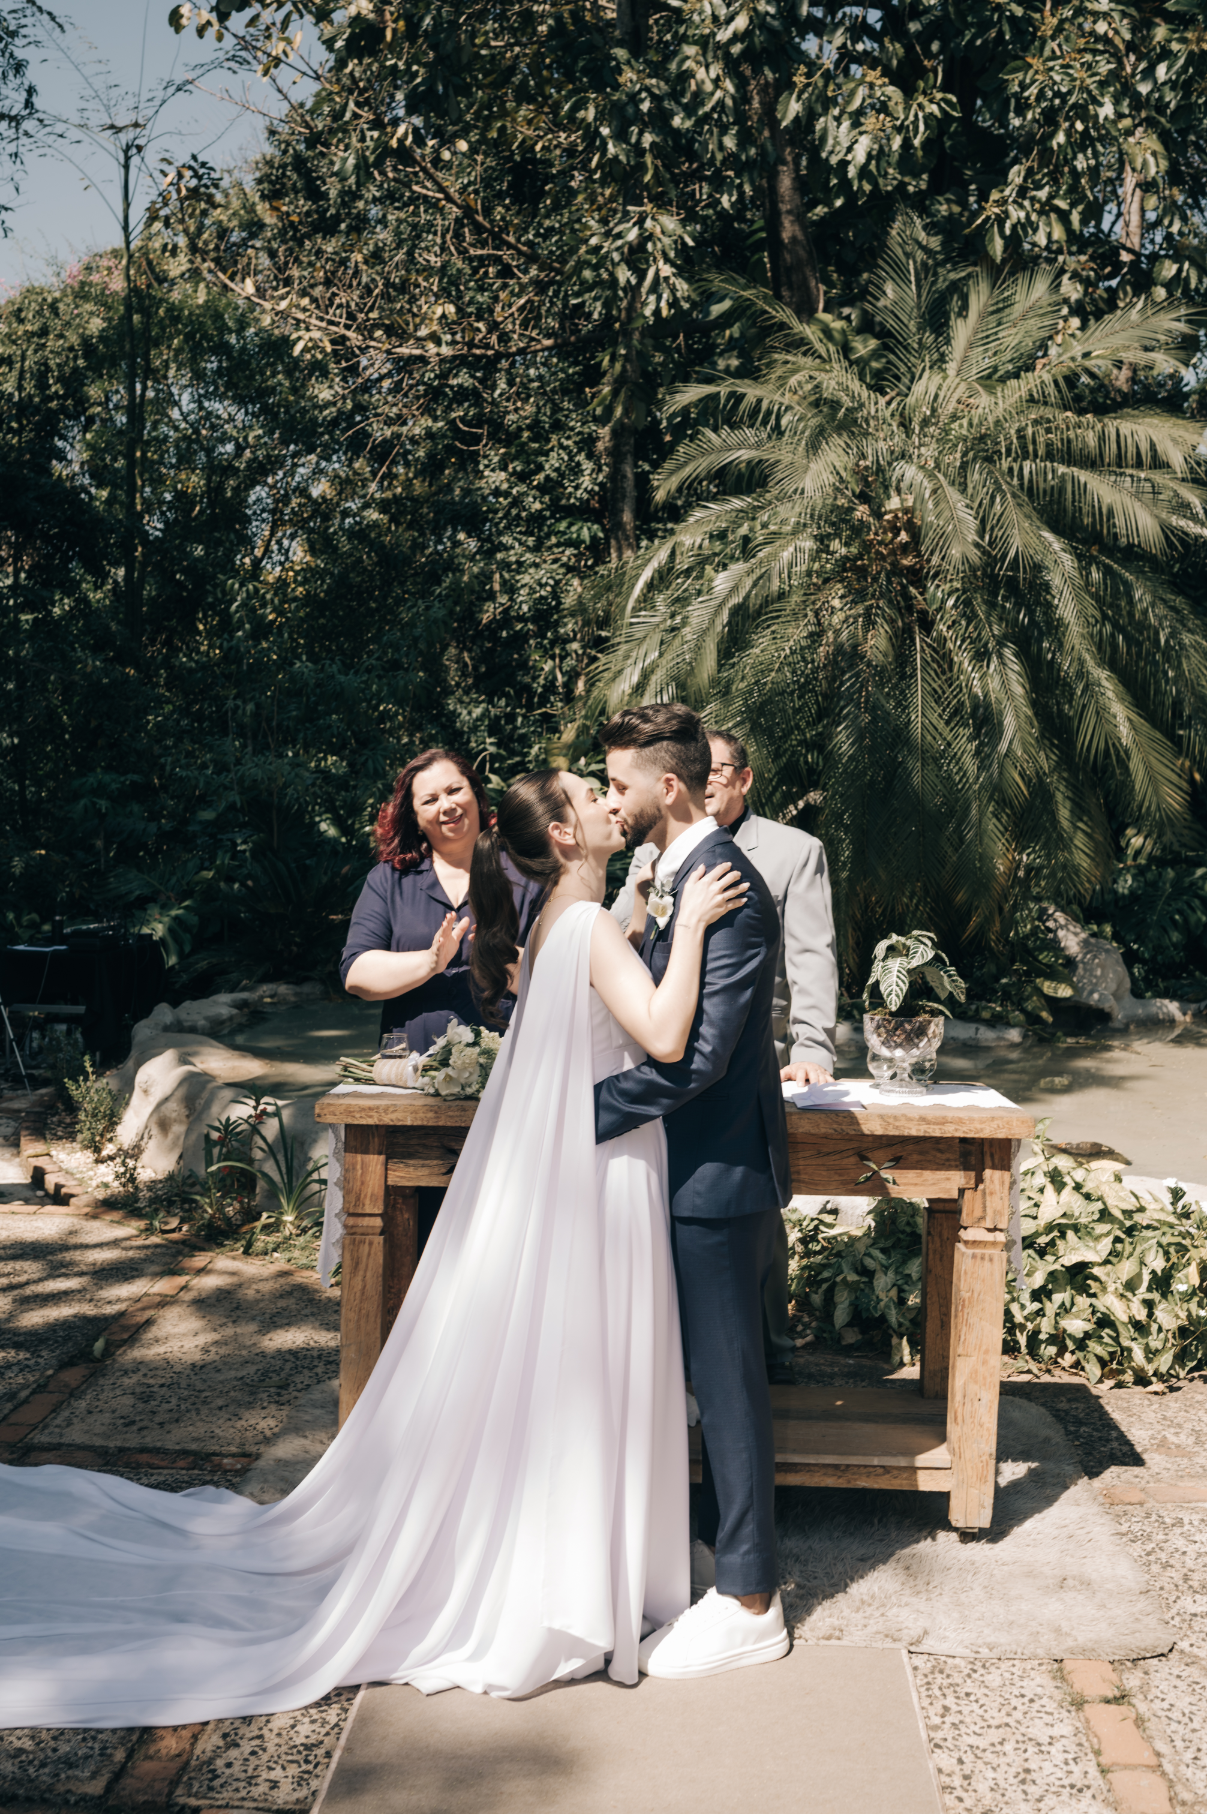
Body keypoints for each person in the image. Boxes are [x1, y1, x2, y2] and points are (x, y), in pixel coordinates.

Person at [0, 767, 748, 1724]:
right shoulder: (588, 929)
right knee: (590, 1359)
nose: (612, 803)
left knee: (571, 1361)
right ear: (564, 835)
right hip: (605, 1172)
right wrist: (692, 930)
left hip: (588, 1164)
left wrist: (643, 913)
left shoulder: (564, 926)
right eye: (590, 795)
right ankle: (582, 1575)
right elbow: (664, 1033)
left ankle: (570, 1565)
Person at [594, 703, 794, 1682]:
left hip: (714, 1173)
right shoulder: (674, 876)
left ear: (665, 786)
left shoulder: (728, 886)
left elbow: (701, 1056)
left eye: (618, 783)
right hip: (671, 1169)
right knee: (689, 1381)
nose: (611, 799)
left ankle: (752, 1598)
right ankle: (705, 1559)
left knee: (726, 1386)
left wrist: (579, 1113)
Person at [612, 728, 839, 1384]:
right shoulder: (649, 847)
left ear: (743, 778)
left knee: (746, 1222)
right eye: (698, 768)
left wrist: (812, 1048)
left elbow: (811, 958)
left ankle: (768, 1352)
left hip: (753, 1055)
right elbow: (623, 943)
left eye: (718, 770)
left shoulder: (794, 851)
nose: (705, 780)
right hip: (662, 1057)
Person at [342, 748, 543, 1247]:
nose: (446, 805)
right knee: (414, 1230)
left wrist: (494, 957)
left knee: (504, 1227)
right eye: (429, 799)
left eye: (455, 790)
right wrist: (430, 962)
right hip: (411, 1083)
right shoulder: (389, 880)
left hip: (511, 1080)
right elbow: (356, 973)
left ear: (477, 794)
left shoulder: (526, 874)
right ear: (414, 816)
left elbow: (557, 978)